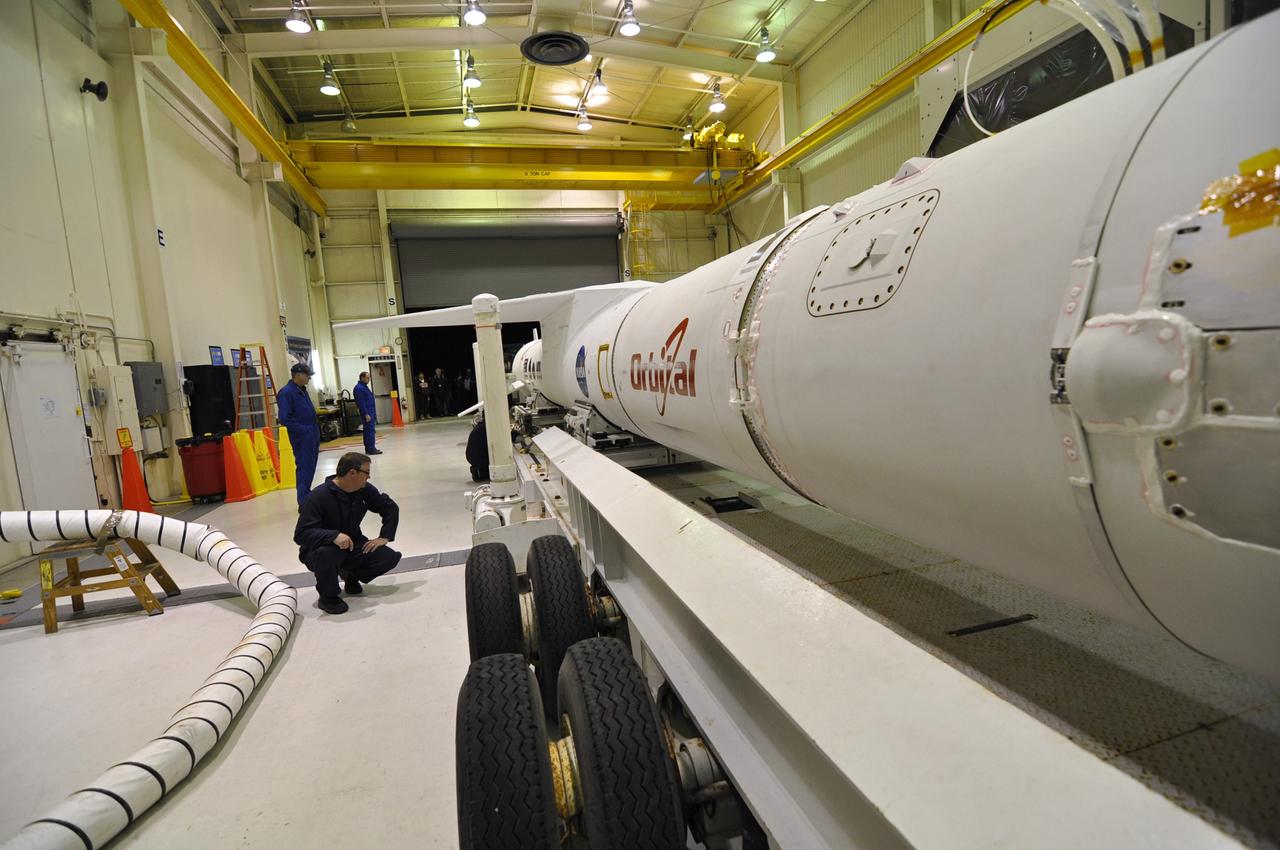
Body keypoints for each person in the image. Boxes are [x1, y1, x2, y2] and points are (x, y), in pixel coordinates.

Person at [294, 451, 401, 615]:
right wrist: (333, 536)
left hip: (353, 544)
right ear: (352, 472)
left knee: (388, 557)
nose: (368, 478)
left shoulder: (363, 490)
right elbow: (301, 534)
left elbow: (389, 507)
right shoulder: (318, 496)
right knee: (326, 554)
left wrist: (384, 536)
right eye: (366, 473)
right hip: (321, 549)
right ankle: (328, 597)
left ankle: (350, 574)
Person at [277, 363, 320, 509]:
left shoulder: (301, 390)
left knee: (310, 467)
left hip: (311, 433)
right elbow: (285, 418)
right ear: (298, 375)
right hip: (302, 437)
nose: (309, 378)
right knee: (304, 467)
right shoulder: (287, 392)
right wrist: (304, 431)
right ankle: (303, 502)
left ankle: (306, 497)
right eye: (307, 375)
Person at [353, 371, 381, 455]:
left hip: (370, 411)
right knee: (369, 431)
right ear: (362, 378)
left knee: (369, 431)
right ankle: (371, 449)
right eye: (367, 378)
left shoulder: (364, 387)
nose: (369, 379)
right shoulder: (359, 388)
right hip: (367, 412)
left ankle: (370, 448)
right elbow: (361, 402)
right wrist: (366, 414)